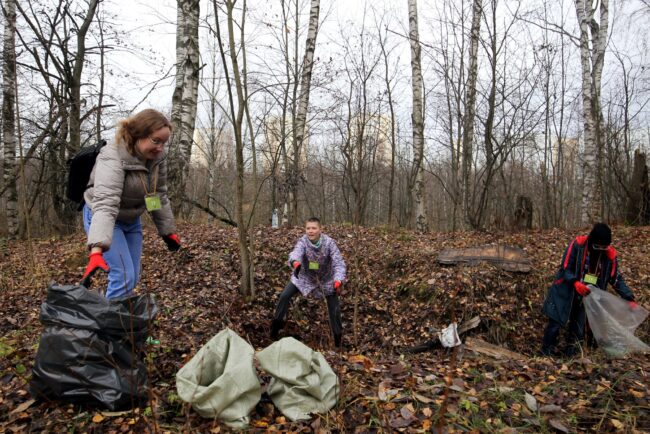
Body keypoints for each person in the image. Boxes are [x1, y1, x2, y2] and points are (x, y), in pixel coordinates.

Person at [81, 108, 181, 298]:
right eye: (155, 141)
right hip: (102, 215)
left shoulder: (157, 159)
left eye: (164, 143)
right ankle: (112, 324)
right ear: (138, 135)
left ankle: (110, 314)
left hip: (131, 218)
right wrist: (96, 249)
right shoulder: (113, 155)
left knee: (132, 277)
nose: (160, 148)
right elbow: (106, 203)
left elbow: (157, 195)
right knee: (124, 277)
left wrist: (168, 231)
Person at [541, 223, 638, 357]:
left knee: (578, 330)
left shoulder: (609, 256)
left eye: (604, 247)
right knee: (555, 324)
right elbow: (566, 268)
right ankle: (545, 354)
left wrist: (629, 297)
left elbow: (616, 279)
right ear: (592, 241)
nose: (600, 250)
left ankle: (571, 357)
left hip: (586, 297)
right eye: (597, 247)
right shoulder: (578, 245)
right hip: (565, 291)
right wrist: (575, 282)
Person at [271, 217, 347, 347]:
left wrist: (338, 280)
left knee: (334, 309)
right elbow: (295, 253)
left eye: (314, 228)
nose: (310, 231)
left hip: (326, 280)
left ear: (320, 229)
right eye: (308, 228)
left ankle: (337, 340)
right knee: (284, 296)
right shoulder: (303, 241)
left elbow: (339, 264)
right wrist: (295, 262)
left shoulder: (329, 243)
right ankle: (275, 328)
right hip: (304, 276)